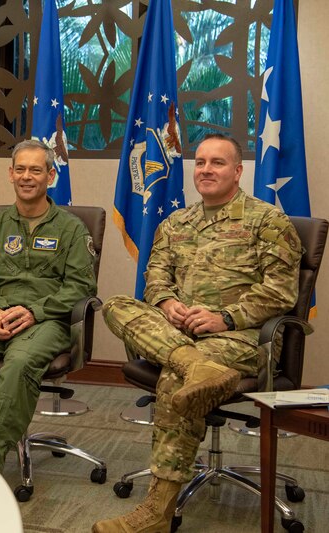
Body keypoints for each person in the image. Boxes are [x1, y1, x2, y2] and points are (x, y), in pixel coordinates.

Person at [92, 134, 302, 533]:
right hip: (178, 335)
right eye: (201, 162)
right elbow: (154, 279)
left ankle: (158, 509)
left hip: (240, 339)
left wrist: (224, 317)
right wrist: (168, 304)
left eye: (217, 163)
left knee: (175, 379)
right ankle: (195, 365)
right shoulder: (177, 222)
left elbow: (280, 292)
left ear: (238, 171)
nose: (206, 169)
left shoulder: (267, 220)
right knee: (117, 305)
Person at [0, 139, 98, 472]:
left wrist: (34, 311)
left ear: (50, 176)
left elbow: (81, 288)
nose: (28, 176)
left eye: (36, 170)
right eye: (21, 169)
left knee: (18, 365)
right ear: (11, 174)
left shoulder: (71, 230)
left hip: (47, 320)